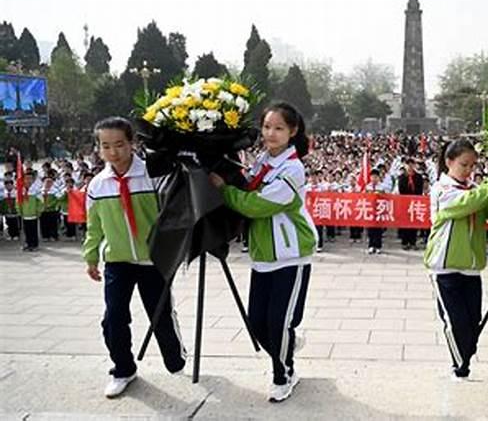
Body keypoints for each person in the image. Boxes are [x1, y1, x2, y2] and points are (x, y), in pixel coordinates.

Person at [209, 102, 316, 403]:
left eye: (279, 128)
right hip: (262, 255)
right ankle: (287, 348)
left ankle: (282, 376)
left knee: (278, 322)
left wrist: (222, 189)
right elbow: (247, 185)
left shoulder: (293, 168)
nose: (271, 133)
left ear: (292, 132)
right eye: (267, 127)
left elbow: (256, 205)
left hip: (290, 254)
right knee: (256, 322)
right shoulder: (261, 161)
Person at [83, 117, 187, 398]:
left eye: (119, 144)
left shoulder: (152, 175)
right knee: (113, 317)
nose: (113, 152)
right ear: (99, 148)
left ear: (132, 143)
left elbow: (171, 216)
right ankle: (123, 368)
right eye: (105, 146)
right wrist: (91, 256)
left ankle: (175, 356)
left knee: (160, 315)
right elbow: (94, 226)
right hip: (117, 260)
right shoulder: (98, 185)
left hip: (152, 260)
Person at [423, 138, 488, 381]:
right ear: (449, 162)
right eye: (464, 165)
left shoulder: (474, 189)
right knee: (456, 321)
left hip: (471, 268)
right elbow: (467, 204)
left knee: (474, 320)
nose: (469, 170)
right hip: (445, 267)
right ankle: (459, 368)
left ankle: (463, 360)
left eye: (473, 166)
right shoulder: (442, 190)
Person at [398, 158, 424, 250]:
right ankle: (405, 242)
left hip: (415, 203)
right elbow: (401, 190)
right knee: (405, 223)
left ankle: (413, 242)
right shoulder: (402, 177)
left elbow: (420, 190)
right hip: (405, 204)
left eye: (412, 164)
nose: (410, 166)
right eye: (408, 164)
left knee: (414, 223)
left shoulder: (419, 177)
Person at [18, 171, 42, 251]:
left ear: (33, 179)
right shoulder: (21, 190)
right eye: (26, 178)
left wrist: (38, 211)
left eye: (30, 178)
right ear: (24, 179)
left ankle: (34, 245)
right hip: (25, 214)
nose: (28, 180)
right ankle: (28, 244)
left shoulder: (36, 189)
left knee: (34, 231)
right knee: (26, 230)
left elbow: (40, 201)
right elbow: (18, 202)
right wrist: (19, 210)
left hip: (33, 214)